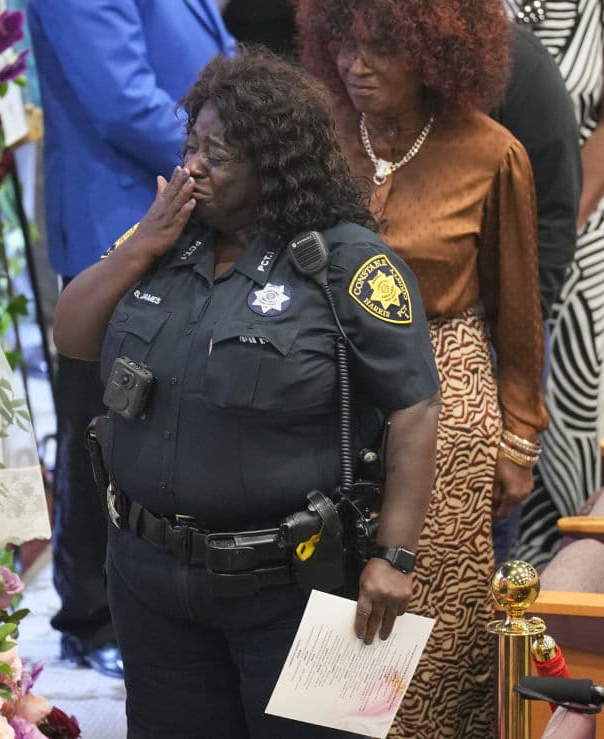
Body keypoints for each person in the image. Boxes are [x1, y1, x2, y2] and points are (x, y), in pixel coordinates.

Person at [54, 48, 441, 738]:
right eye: (192, 145)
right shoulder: (165, 242)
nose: (194, 166)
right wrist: (143, 241)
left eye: (220, 155)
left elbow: (415, 405)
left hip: (307, 581)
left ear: (274, 165)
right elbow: (73, 335)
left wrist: (395, 554)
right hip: (150, 578)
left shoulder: (349, 263)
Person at [297, 0, 550, 735]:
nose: (357, 64)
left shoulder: (492, 153)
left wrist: (520, 437)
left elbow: (519, 311)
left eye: (384, 48)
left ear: (439, 54)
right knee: (336, 606)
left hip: (447, 394)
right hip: (329, 389)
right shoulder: (316, 142)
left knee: (428, 610)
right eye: (345, 44)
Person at [26, 0, 234, 678]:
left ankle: (157, 603)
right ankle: (89, 615)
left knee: (162, 419)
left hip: (191, 203)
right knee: (102, 421)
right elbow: (123, 103)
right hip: (121, 211)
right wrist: (236, 156)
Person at [504, 0, 604, 567]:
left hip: (579, 213)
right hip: (485, 215)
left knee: (564, 410)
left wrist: (553, 232)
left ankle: (557, 577)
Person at [489, 23, 582, 562]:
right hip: (383, 342)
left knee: (492, 537)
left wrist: (521, 325)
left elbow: (553, 220)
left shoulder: (518, 65)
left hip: (503, 335)